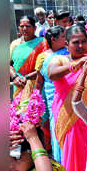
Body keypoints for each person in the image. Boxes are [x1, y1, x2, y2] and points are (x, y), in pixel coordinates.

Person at [48, 25, 87, 171]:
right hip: (67, 116)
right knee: (72, 155)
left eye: (83, 41)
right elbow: (52, 73)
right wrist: (74, 66)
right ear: (66, 44)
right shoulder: (59, 60)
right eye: (75, 42)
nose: (80, 46)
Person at [34, 26, 68, 162]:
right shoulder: (43, 57)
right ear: (53, 39)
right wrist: (35, 102)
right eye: (63, 37)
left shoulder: (68, 53)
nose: (66, 40)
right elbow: (39, 82)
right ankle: (61, 161)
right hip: (52, 98)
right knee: (56, 129)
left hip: (69, 96)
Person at [10, 16, 49, 97]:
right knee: (18, 108)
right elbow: (9, 64)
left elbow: (46, 65)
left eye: (28, 26)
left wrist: (27, 77)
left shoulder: (43, 43)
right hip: (18, 84)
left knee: (35, 107)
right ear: (18, 28)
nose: (24, 29)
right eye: (22, 26)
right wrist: (15, 77)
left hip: (37, 84)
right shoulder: (15, 44)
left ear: (35, 28)